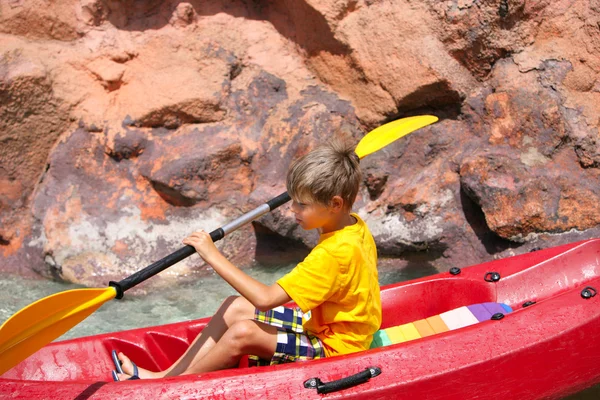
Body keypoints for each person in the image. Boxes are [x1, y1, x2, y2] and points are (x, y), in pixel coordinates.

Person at [112, 137, 382, 380]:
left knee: (243, 332)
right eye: (293, 199)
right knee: (235, 307)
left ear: (335, 204)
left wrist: (212, 255)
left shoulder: (333, 253)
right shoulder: (352, 224)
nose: (292, 210)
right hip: (329, 327)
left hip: (336, 348)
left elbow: (265, 300)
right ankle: (165, 376)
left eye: (302, 203)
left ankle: (169, 388)